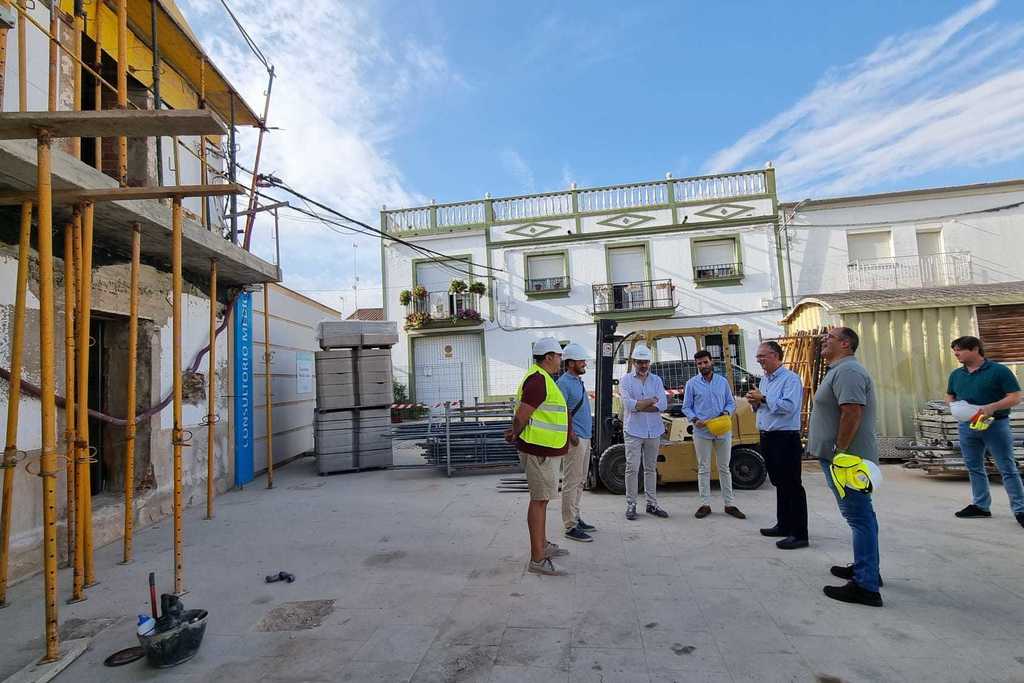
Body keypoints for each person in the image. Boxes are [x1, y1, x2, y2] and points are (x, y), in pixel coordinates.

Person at [809, 327, 883, 607]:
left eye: (830, 338)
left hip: (848, 460)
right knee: (863, 516)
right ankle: (867, 568)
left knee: (859, 517)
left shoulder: (848, 372)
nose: (824, 341)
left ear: (846, 343)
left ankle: (866, 585)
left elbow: (852, 411)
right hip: (844, 458)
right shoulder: (840, 370)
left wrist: (839, 451)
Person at [504, 337, 573, 576]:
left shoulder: (540, 377)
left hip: (544, 450)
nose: (561, 360)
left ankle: (542, 545)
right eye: (558, 355)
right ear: (549, 357)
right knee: (539, 501)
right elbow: (522, 415)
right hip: (539, 451)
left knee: (542, 500)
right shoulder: (538, 380)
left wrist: (515, 433)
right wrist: (515, 433)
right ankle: (537, 558)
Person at [945, 336, 1024, 529]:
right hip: (967, 426)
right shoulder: (956, 374)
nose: (956, 353)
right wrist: (955, 406)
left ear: (975, 349)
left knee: (1007, 467)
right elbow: (950, 395)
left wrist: (993, 407)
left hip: (995, 424)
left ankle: (1021, 509)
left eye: (960, 350)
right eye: (954, 350)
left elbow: (1015, 397)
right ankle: (981, 506)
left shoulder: (999, 371)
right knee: (973, 466)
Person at [746, 341, 808, 549]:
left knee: (792, 485)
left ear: (775, 355)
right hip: (768, 437)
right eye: (758, 357)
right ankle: (784, 524)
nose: (759, 361)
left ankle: (800, 534)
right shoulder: (764, 380)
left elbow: (788, 408)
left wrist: (762, 398)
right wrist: (756, 403)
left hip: (785, 437)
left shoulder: (790, 379)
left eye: (762, 356)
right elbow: (764, 407)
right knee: (779, 483)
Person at [683, 350, 745, 520]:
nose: (703, 366)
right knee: (703, 468)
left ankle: (729, 504)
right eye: (699, 364)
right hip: (702, 432)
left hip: (722, 430)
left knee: (724, 468)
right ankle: (705, 504)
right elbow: (686, 407)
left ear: (712, 362)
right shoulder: (691, 384)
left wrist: (726, 412)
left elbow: (731, 403)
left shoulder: (722, 382)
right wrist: (695, 419)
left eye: (705, 362)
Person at [619, 344, 670, 520]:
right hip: (633, 430)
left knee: (650, 468)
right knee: (632, 468)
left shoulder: (656, 380)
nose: (643, 365)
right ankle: (631, 504)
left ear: (649, 362)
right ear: (634, 362)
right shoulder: (625, 380)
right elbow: (628, 405)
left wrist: (640, 405)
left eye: (646, 362)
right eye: (640, 362)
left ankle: (652, 504)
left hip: (653, 431)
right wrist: (650, 401)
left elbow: (662, 405)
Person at [556, 343, 597, 542]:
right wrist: (570, 433)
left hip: (584, 437)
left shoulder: (577, 381)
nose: (584, 364)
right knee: (571, 482)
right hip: (575, 439)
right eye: (581, 361)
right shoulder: (563, 383)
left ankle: (576, 516)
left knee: (580, 480)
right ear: (571, 363)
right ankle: (570, 525)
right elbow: (561, 411)